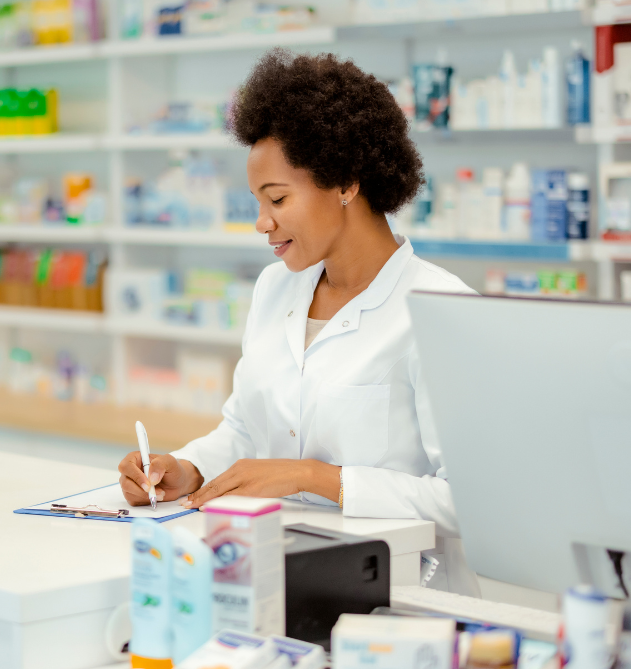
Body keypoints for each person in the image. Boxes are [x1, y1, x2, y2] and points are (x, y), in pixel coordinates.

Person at [117, 50, 480, 596]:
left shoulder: (440, 309)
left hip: (402, 600)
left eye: (278, 199)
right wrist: (188, 470)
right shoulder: (275, 289)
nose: (263, 223)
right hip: (274, 576)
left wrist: (318, 478)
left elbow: (471, 500)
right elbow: (244, 429)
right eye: (258, 202)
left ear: (346, 182)